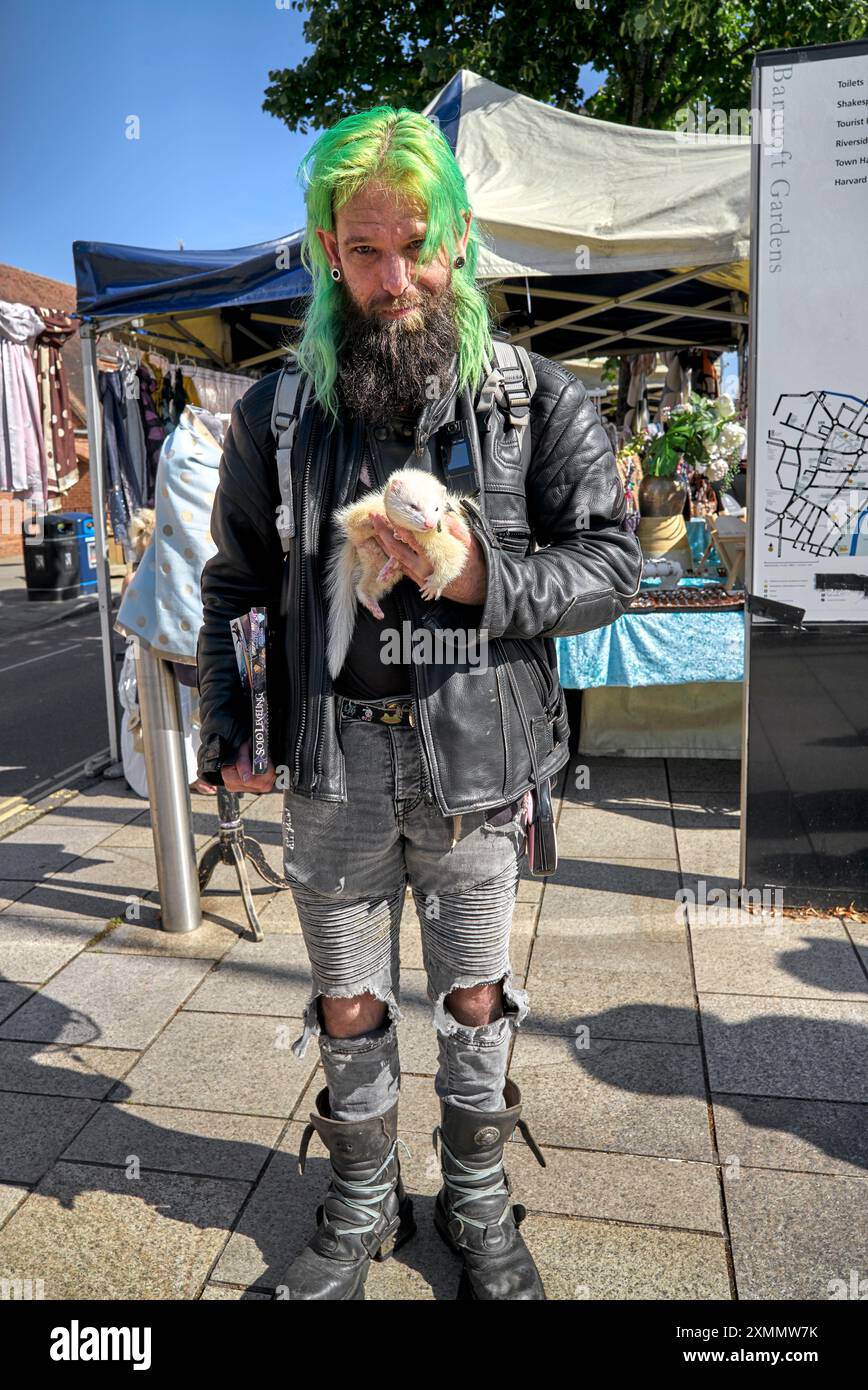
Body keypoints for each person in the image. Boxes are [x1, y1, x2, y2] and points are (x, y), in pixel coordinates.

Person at [195, 104, 642, 1301]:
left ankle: (479, 1200)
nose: (396, 279)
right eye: (365, 251)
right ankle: (361, 1201)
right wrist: (230, 725)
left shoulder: (533, 399)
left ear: (458, 236)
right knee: (345, 997)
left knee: (475, 995)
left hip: (479, 767)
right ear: (329, 254)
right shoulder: (277, 416)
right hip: (331, 766)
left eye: (418, 243)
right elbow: (236, 580)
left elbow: (610, 564)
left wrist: (485, 574)